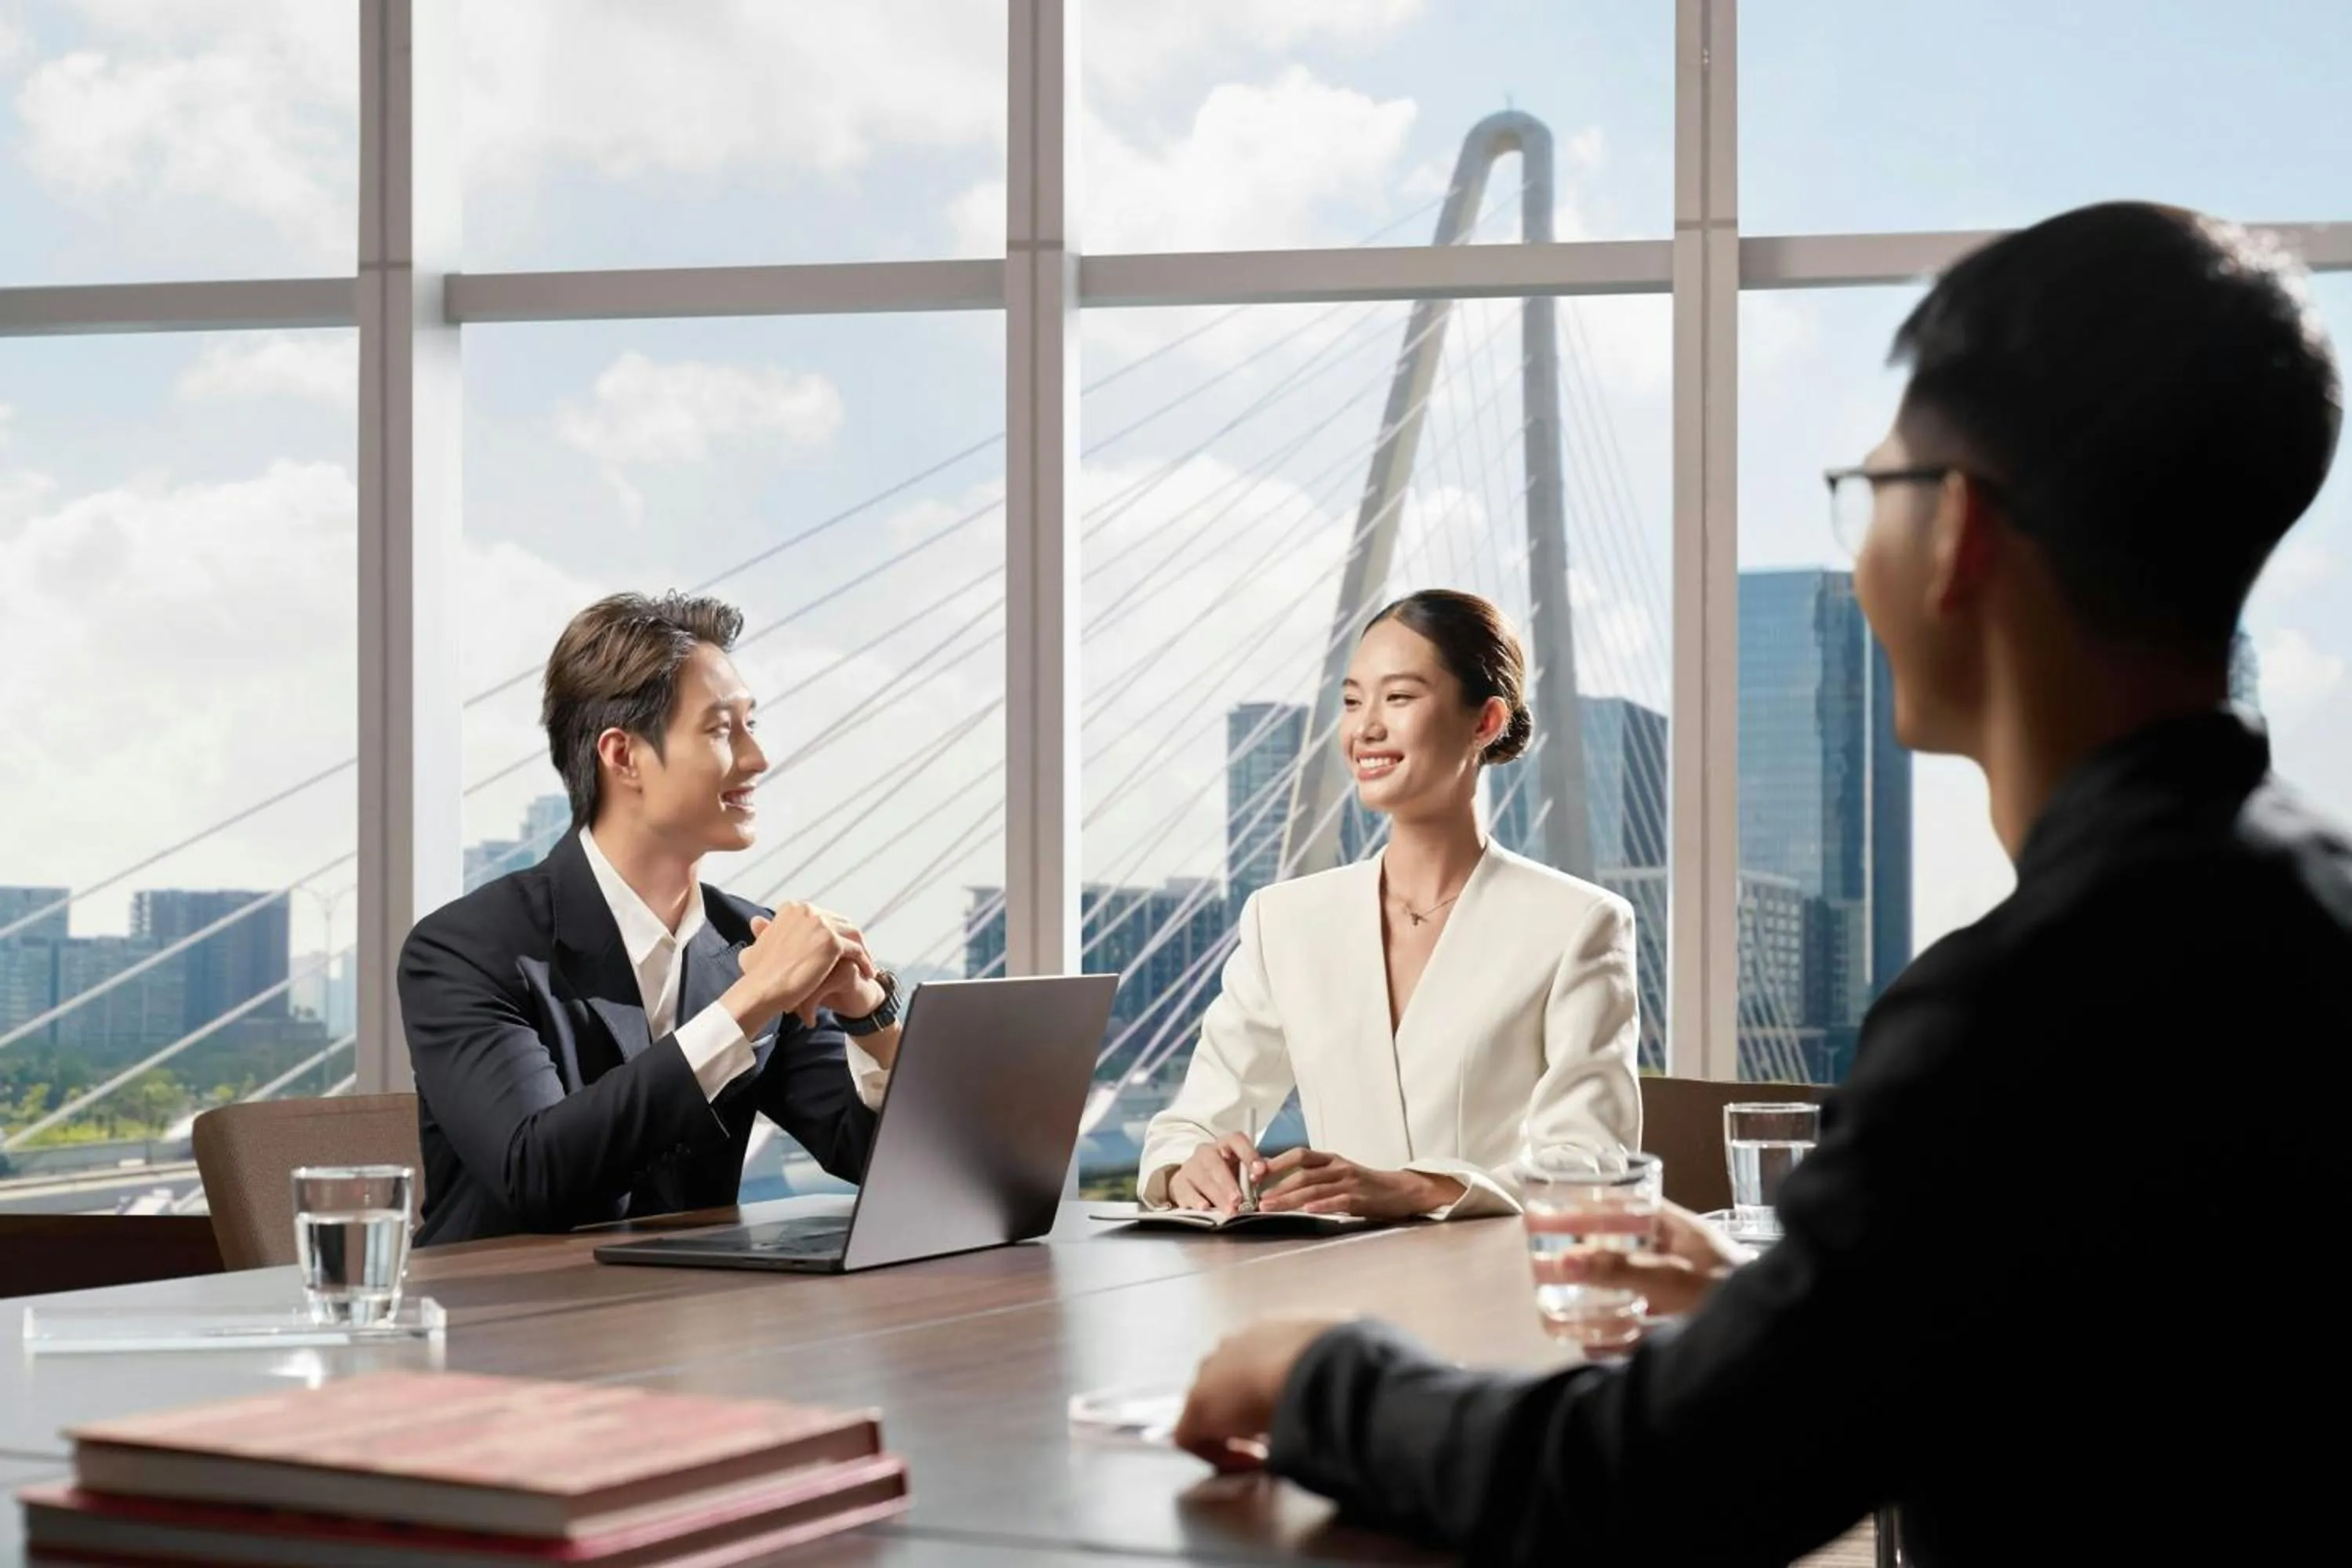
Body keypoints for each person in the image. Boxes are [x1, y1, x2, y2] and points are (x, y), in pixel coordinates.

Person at [1174, 202, 2347, 1563]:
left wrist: (1326, 1378)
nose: (1858, 557)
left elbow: (1645, 1488)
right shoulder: (2297, 907)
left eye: (1875, 493)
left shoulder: (2021, 1011)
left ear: (1959, 532)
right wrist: (1776, 1295)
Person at [400, 593, 906, 1247]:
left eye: (752, 725)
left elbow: (868, 1155)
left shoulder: (746, 940)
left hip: (692, 1325)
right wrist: (749, 1003)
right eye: (723, 730)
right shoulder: (466, 950)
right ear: (623, 757)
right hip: (507, 1329)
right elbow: (536, 1173)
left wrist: (870, 1015)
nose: (758, 758)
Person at [1138, 589, 1640, 1221]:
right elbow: (1190, 1123)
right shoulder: (1284, 919)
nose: (1365, 726)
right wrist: (1191, 1166)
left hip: (1494, 1280)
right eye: (1352, 701)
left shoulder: (1577, 923)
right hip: (1328, 1280)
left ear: (1484, 721)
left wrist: (1420, 1189)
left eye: (1398, 697)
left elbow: (1594, 1159)